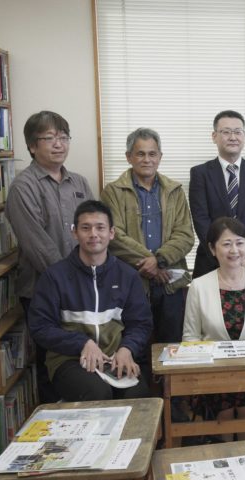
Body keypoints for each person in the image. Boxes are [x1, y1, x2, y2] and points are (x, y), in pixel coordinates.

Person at [5, 110, 94, 403]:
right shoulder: (23, 186)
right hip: (44, 291)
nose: (59, 144)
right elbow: (37, 245)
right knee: (52, 363)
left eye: (63, 137)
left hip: (84, 286)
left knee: (84, 360)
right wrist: (71, 282)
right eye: (49, 138)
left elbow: (95, 228)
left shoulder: (79, 182)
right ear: (32, 145)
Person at [27, 200, 153, 402]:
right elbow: (40, 327)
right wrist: (82, 343)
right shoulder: (54, 277)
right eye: (86, 228)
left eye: (100, 227)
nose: (93, 234)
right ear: (74, 232)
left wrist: (127, 348)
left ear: (111, 233)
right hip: (69, 359)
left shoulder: (128, 276)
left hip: (115, 357)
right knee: (97, 393)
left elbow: (141, 323)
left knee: (137, 396)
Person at [182, 217, 245, 440]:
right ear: (213, 249)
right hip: (213, 370)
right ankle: (224, 456)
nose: (234, 250)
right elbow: (191, 337)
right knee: (223, 411)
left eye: (240, 243)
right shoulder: (198, 286)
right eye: (226, 244)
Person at [101, 127, 194, 344]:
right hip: (131, 281)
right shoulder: (113, 191)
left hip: (170, 282)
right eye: (140, 154)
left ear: (160, 157)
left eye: (152, 154)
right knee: (134, 344)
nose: (147, 160)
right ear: (129, 157)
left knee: (172, 345)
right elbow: (115, 237)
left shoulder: (175, 190)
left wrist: (159, 260)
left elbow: (185, 234)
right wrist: (152, 266)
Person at [189, 110, 245, 278]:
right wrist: (221, 258)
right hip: (211, 263)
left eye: (237, 132)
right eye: (226, 132)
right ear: (214, 136)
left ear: (244, 136)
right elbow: (201, 220)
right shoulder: (200, 174)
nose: (233, 137)